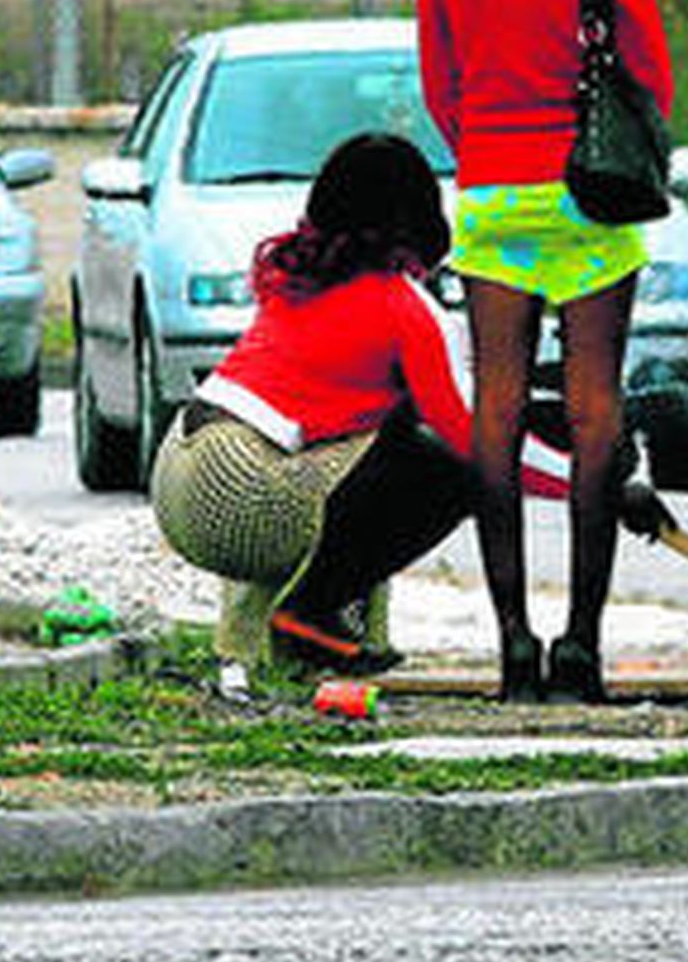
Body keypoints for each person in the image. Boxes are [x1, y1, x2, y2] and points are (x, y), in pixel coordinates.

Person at [417, 0, 673, 703]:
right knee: (597, 408)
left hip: (492, 192)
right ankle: (583, 645)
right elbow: (647, 69)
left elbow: (439, 83)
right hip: (587, 196)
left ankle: (512, 645)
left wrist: (487, 152)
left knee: (498, 405)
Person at [149, 132, 480, 677]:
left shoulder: (301, 280)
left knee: (364, 461)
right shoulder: (400, 301)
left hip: (178, 473)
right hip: (237, 489)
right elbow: (470, 436)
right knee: (441, 471)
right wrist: (595, 481)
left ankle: (267, 644)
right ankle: (313, 612)